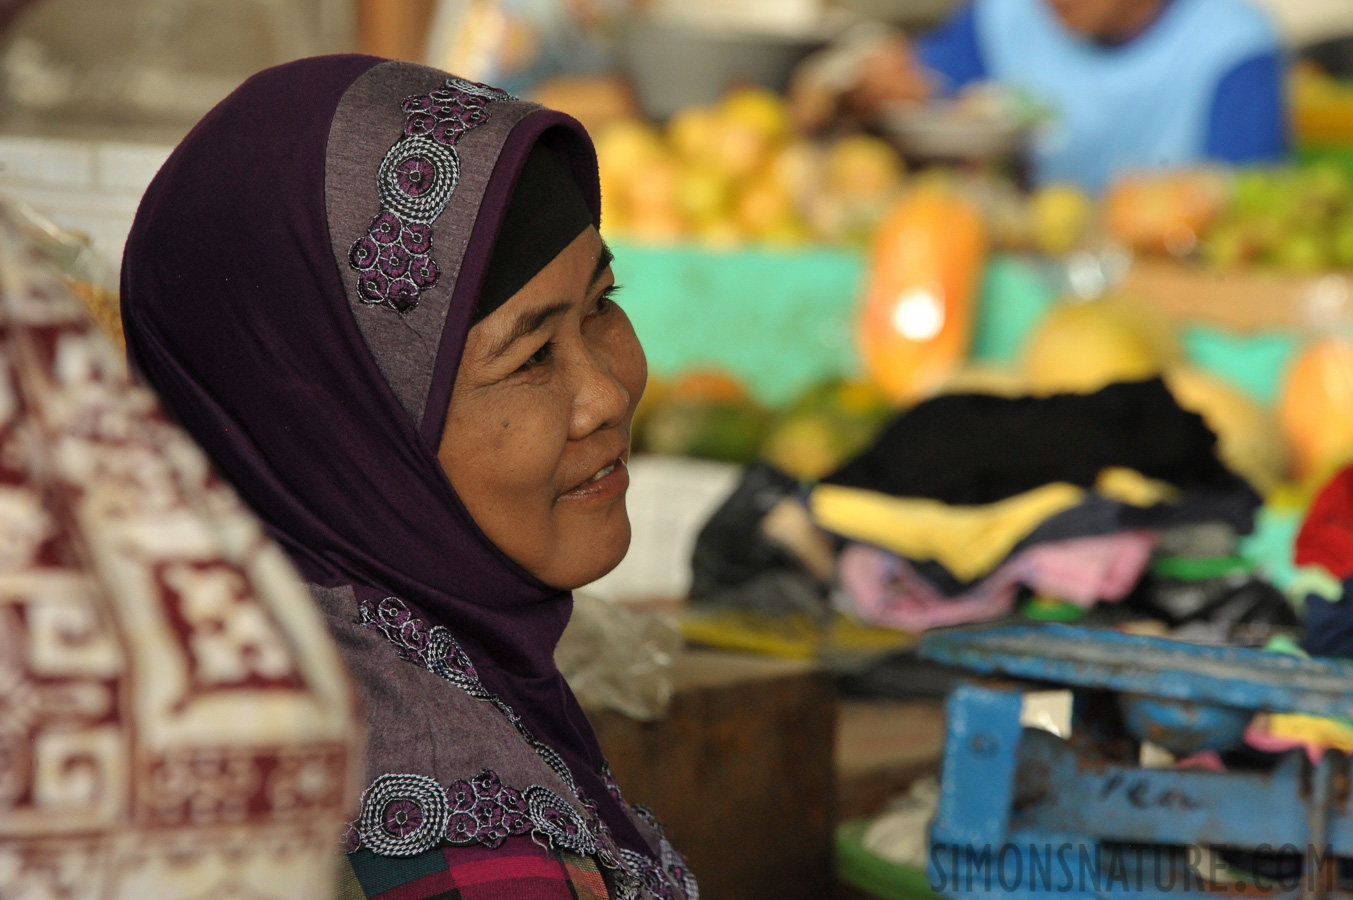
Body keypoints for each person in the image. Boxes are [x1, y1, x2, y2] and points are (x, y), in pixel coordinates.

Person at [119, 55, 696, 900]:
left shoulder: (194, 664)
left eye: (602, 305)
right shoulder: (473, 858)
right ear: (337, 426)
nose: (606, 395)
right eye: (531, 355)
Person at [834, 0, 1288, 191]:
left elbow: (1248, 210)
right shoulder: (1004, 17)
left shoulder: (1231, 47)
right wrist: (867, 86)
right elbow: (922, 86)